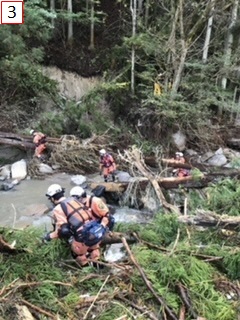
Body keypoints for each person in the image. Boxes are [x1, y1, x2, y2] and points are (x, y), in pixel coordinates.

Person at [43, 184, 109, 268]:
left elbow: (63, 230)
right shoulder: (75, 200)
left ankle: (86, 271)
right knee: (94, 251)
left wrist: (49, 236)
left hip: (81, 237)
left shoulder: (58, 209)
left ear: (52, 198)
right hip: (93, 231)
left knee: (79, 255)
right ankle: (102, 270)